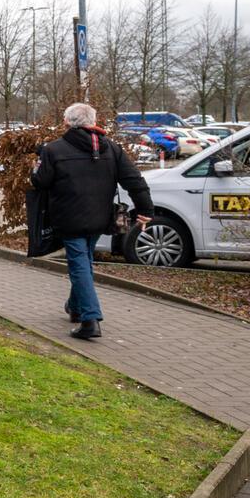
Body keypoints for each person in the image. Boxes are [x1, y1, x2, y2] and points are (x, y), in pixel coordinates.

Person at [32, 102, 153, 340]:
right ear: (94, 122)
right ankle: (75, 307)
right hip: (100, 217)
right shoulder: (111, 149)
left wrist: (35, 168)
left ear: (67, 123)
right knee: (83, 260)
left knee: (79, 263)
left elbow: (41, 182)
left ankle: (90, 319)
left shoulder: (54, 150)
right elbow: (134, 180)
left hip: (69, 218)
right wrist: (145, 209)